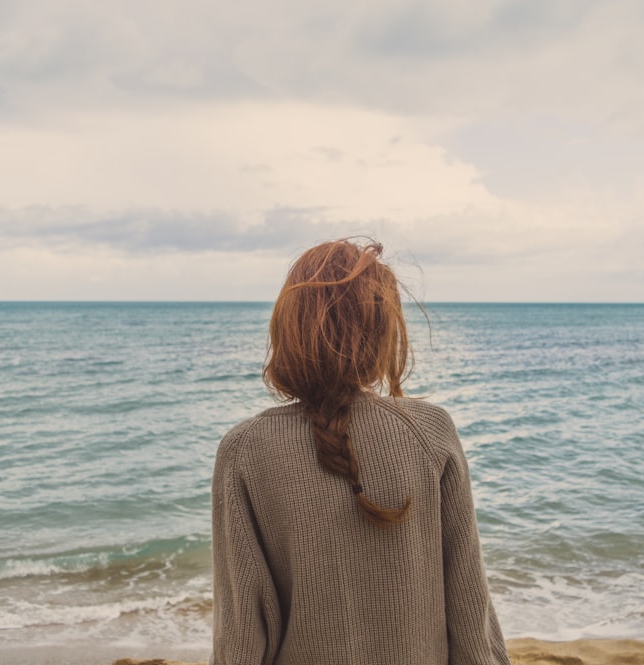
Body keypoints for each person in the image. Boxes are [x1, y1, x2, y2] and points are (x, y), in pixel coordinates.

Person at [210, 239, 510, 665]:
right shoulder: (430, 432)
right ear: (382, 332)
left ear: (288, 329)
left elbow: (242, 633)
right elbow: (470, 615)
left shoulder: (244, 451)